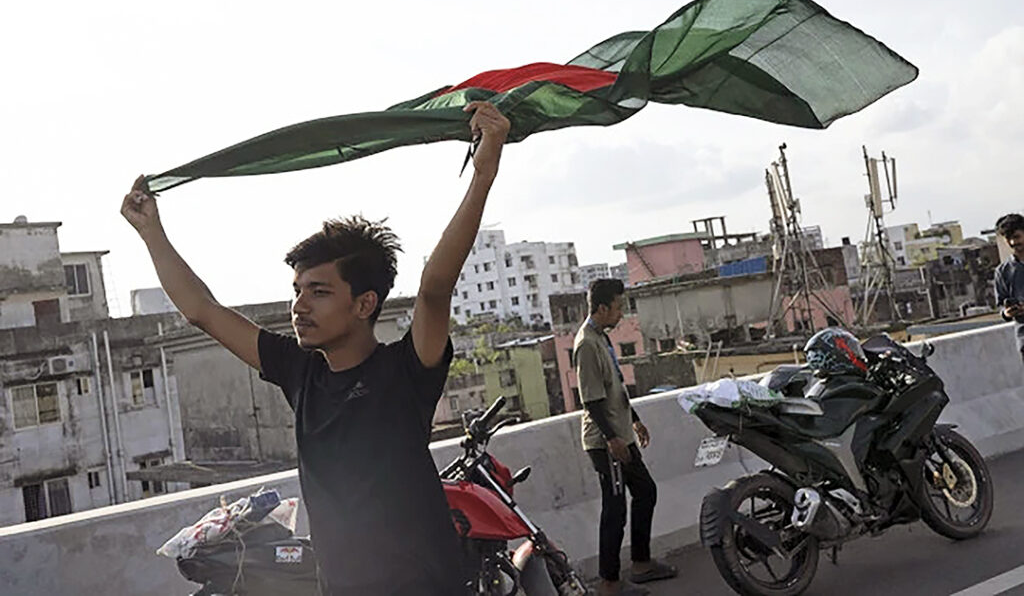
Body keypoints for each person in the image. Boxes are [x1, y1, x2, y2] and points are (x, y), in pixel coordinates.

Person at [121, 101, 511, 595]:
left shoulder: (406, 370)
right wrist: (150, 230)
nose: (299, 306)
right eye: (297, 290)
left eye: (319, 291)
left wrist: (484, 173)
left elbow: (435, 286)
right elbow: (203, 310)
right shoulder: (300, 371)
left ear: (365, 303)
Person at [574, 278, 677, 596]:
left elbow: (614, 387)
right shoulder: (586, 344)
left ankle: (642, 564)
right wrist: (612, 440)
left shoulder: (601, 337)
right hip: (606, 441)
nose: (621, 313)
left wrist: (634, 421)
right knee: (615, 510)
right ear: (602, 308)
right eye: (618, 307)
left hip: (621, 432)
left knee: (645, 492)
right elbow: (590, 399)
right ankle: (609, 583)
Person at [994, 213, 1024, 363]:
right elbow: (1001, 306)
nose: (1013, 242)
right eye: (1008, 239)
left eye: (1017, 237)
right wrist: (1007, 312)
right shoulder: (1003, 271)